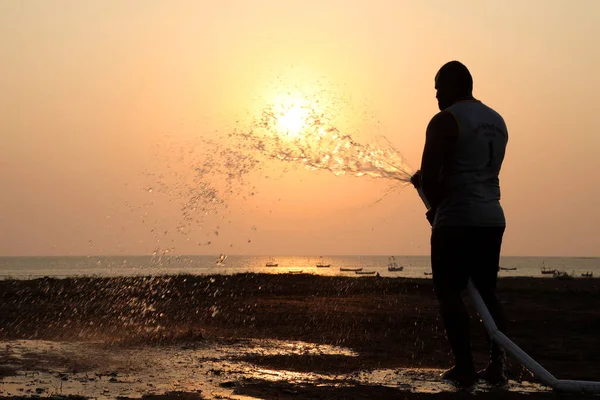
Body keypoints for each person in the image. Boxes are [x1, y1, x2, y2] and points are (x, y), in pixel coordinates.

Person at [411, 61, 509, 386]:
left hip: (456, 219)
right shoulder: (496, 120)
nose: (436, 95)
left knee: (448, 291)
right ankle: (498, 366)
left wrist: (434, 209)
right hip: (491, 217)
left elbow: (429, 178)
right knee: (487, 291)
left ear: (454, 85)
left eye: (439, 87)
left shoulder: (444, 120)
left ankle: (464, 366)